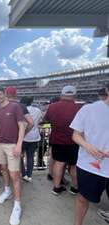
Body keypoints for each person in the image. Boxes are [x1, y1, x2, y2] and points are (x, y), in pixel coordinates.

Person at [70, 83, 109, 225]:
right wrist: (88, 146)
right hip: (89, 165)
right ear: (107, 90)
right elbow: (76, 135)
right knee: (82, 197)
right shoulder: (89, 109)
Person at [0, 87, 26, 225]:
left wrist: (19, 144)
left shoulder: (15, 106)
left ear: (4, 94)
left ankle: (17, 205)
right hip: (0, 143)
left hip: (12, 145)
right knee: (3, 169)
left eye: (0, 94)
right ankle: (7, 191)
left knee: (15, 176)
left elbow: (22, 125)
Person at [44, 85, 82, 196]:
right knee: (74, 166)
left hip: (57, 139)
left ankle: (56, 188)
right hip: (75, 141)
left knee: (59, 163)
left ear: (62, 94)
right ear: (74, 95)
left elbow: (46, 120)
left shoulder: (52, 106)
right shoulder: (80, 107)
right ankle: (75, 188)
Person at [20, 96, 43, 182]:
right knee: (30, 157)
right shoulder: (37, 110)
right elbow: (41, 120)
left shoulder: (21, 109)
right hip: (34, 137)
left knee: (20, 157)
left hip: (23, 137)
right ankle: (29, 175)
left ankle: (23, 174)